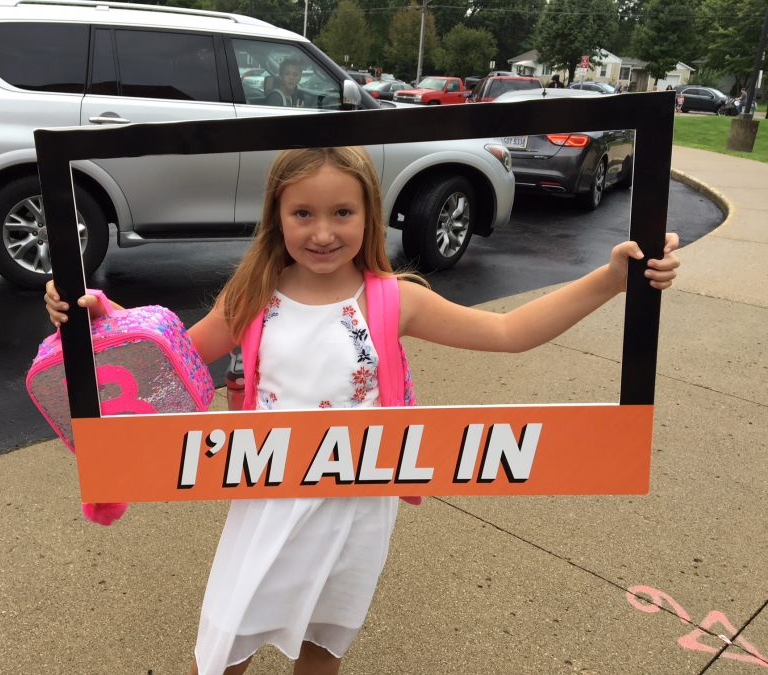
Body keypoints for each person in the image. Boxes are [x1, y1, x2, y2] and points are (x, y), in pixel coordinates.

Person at [44, 146, 681, 675]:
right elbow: (176, 354)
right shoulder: (254, 295)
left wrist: (609, 280)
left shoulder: (393, 299)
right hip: (267, 497)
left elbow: (509, 331)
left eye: (342, 212)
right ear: (278, 217)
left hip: (358, 503)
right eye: (303, 214)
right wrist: (101, 320)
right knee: (225, 640)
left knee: (324, 641)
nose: (323, 232)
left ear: (369, 216)